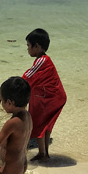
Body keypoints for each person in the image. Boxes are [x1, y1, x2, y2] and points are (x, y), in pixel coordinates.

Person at [22, 28, 66, 161]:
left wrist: (11, 88)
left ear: (37, 46)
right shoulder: (44, 60)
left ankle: (43, 154)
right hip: (52, 97)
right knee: (45, 126)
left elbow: (28, 75)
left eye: (28, 46)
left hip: (51, 98)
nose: (28, 49)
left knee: (40, 125)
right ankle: (44, 154)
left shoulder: (42, 60)